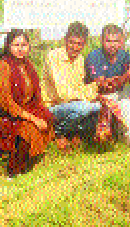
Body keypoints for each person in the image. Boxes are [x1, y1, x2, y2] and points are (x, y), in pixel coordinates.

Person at [0, 29, 55, 177]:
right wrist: (33, 118)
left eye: (24, 45)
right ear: (8, 46)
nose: (20, 48)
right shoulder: (2, 66)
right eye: (16, 45)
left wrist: (40, 113)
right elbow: (6, 103)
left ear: (29, 47)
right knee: (29, 128)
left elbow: (35, 96)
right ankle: (14, 169)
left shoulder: (28, 65)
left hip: (21, 110)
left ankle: (30, 160)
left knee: (47, 117)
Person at [41, 21, 107, 150]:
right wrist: (86, 97)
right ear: (65, 40)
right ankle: (58, 133)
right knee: (83, 108)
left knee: (100, 107)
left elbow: (80, 88)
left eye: (79, 44)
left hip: (71, 106)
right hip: (52, 107)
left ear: (84, 44)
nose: (75, 47)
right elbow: (63, 94)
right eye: (72, 42)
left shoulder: (80, 59)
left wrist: (96, 87)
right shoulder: (54, 56)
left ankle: (73, 134)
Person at [84, 24, 130, 142]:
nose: (112, 45)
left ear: (121, 41)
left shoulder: (124, 55)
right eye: (108, 41)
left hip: (119, 92)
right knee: (108, 100)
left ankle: (128, 133)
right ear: (102, 40)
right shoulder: (94, 56)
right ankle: (106, 134)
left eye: (116, 41)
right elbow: (103, 86)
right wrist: (125, 77)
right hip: (97, 96)